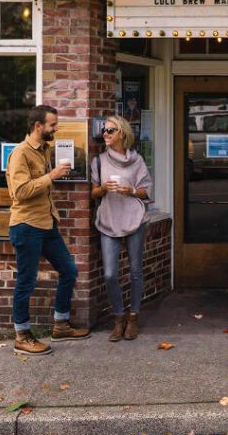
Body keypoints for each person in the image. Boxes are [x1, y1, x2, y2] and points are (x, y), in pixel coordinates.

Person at [5, 105, 90, 355]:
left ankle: (61, 325)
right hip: (26, 225)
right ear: (37, 126)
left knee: (69, 270)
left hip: (46, 223)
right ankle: (22, 334)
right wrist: (51, 176)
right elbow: (19, 192)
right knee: (26, 281)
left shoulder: (43, 150)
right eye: (52, 124)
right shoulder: (20, 154)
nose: (56, 128)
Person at [90, 116, 152, 341]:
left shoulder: (137, 161)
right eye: (104, 130)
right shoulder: (98, 161)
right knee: (110, 274)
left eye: (110, 130)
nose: (105, 133)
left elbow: (146, 190)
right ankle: (118, 317)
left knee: (136, 271)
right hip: (108, 219)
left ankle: (133, 317)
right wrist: (103, 188)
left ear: (122, 134)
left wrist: (132, 190)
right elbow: (93, 192)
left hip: (134, 218)